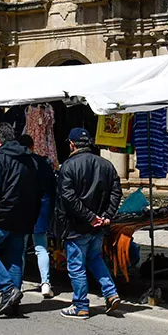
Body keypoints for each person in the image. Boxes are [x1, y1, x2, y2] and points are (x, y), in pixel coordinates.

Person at [55, 127, 122, 320]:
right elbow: (116, 192)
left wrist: (89, 216)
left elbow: (68, 197)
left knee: (77, 265)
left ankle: (80, 305)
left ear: (72, 144)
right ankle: (111, 293)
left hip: (78, 226)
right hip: (97, 224)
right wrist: (106, 215)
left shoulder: (68, 166)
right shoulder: (106, 164)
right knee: (95, 259)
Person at [0, 123, 41, 318]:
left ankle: (7, 290)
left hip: (1, 216)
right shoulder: (31, 159)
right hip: (24, 216)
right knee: (15, 256)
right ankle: (13, 301)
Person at [19, 134, 56, 298]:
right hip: (42, 208)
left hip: (23, 209)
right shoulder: (44, 162)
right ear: (33, 146)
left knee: (19, 249)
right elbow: (52, 187)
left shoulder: (17, 163)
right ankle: (45, 283)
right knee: (41, 248)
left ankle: (17, 284)